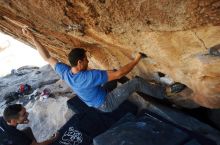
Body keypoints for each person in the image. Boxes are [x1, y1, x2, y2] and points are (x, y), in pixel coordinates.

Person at [22, 27, 185, 112]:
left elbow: (47, 57)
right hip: (106, 103)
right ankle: (165, 92)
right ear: (79, 62)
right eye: (86, 59)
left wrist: (33, 38)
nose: (88, 61)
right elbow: (120, 73)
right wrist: (136, 58)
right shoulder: (90, 76)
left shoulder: (65, 71)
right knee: (134, 82)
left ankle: (146, 87)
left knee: (115, 75)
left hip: (96, 96)